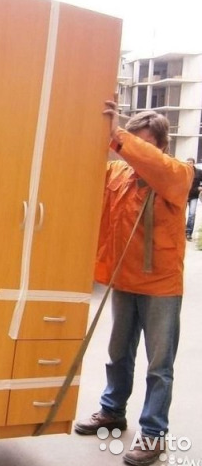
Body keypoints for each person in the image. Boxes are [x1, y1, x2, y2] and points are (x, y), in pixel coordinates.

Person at [74, 102, 192, 466]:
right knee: (118, 354)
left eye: (144, 145)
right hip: (124, 279)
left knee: (159, 366)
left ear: (161, 147)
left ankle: (153, 434)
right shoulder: (117, 174)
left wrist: (121, 136)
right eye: (132, 143)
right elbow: (81, 168)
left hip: (161, 287)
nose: (135, 152)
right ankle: (112, 410)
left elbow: (154, 165)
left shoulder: (176, 174)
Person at [185, 157, 202, 240]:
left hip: (194, 195)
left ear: (193, 163)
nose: (189, 164)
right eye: (187, 162)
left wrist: (200, 187)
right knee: (180, 214)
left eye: (190, 162)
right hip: (184, 195)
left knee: (191, 214)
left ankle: (188, 232)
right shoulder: (183, 171)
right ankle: (180, 231)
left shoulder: (199, 172)